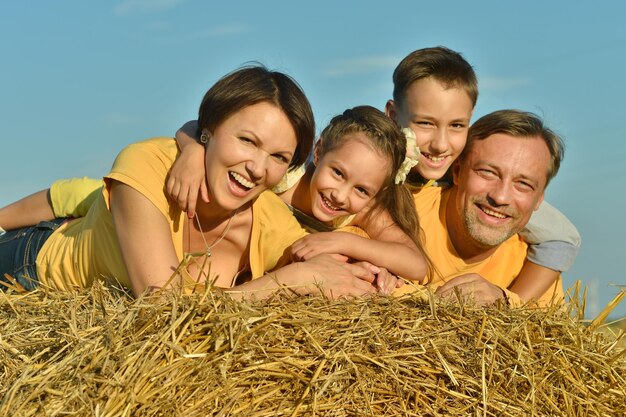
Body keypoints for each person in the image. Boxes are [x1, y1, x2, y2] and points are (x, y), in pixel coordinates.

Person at [0, 65, 397, 299]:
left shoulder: (270, 218)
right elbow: (162, 310)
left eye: (278, 157)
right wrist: (285, 281)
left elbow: (335, 273)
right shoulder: (147, 165)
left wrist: (377, 276)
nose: (258, 168)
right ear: (208, 129)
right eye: (247, 141)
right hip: (29, 268)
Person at [384, 46, 580, 303]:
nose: (441, 144)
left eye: (456, 125)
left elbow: (562, 238)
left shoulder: (525, 263)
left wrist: (507, 306)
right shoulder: (376, 190)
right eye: (425, 123)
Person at [396, 109, 566, 307]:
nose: (500, 197)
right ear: (457, 172)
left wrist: (503, 303)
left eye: (523, 184)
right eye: (488, 173)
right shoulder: (395, 214)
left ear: (539, 199)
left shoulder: (533, 273)